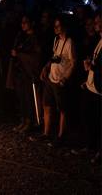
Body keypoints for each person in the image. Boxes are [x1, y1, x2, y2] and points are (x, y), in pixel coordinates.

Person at [33, 16, 75, 147]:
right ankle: (46, 134)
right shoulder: (56, 40)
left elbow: (73, 62)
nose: (55, 28)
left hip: (60, 80)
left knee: (62, 109)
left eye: (58, 26)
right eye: (55, 26)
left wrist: (65, 78)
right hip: (51, 77)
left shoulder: (70, 43)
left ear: (64, 27)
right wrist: (46, 68)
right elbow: (53, 57)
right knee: (47, 105)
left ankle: (61, 136)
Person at [5, 15, 42, 133]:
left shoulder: (35, 38)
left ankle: (30, 122)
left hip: (28, 74)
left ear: (31, 23)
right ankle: (23, 120)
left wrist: (19, 54)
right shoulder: (21, 36)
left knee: (28, 98)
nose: (23, 25)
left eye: (25, 22)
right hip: (19, 73)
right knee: (21, 99)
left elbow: (36, 57)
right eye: (22, 22)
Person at [81, 12, 101, 163]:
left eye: (99, 21)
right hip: (92, 85)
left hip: (100, 88)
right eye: (95, 22)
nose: (96, 24)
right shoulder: (99, 40)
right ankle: (91, 145)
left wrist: (92, 67)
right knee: (90, 118)